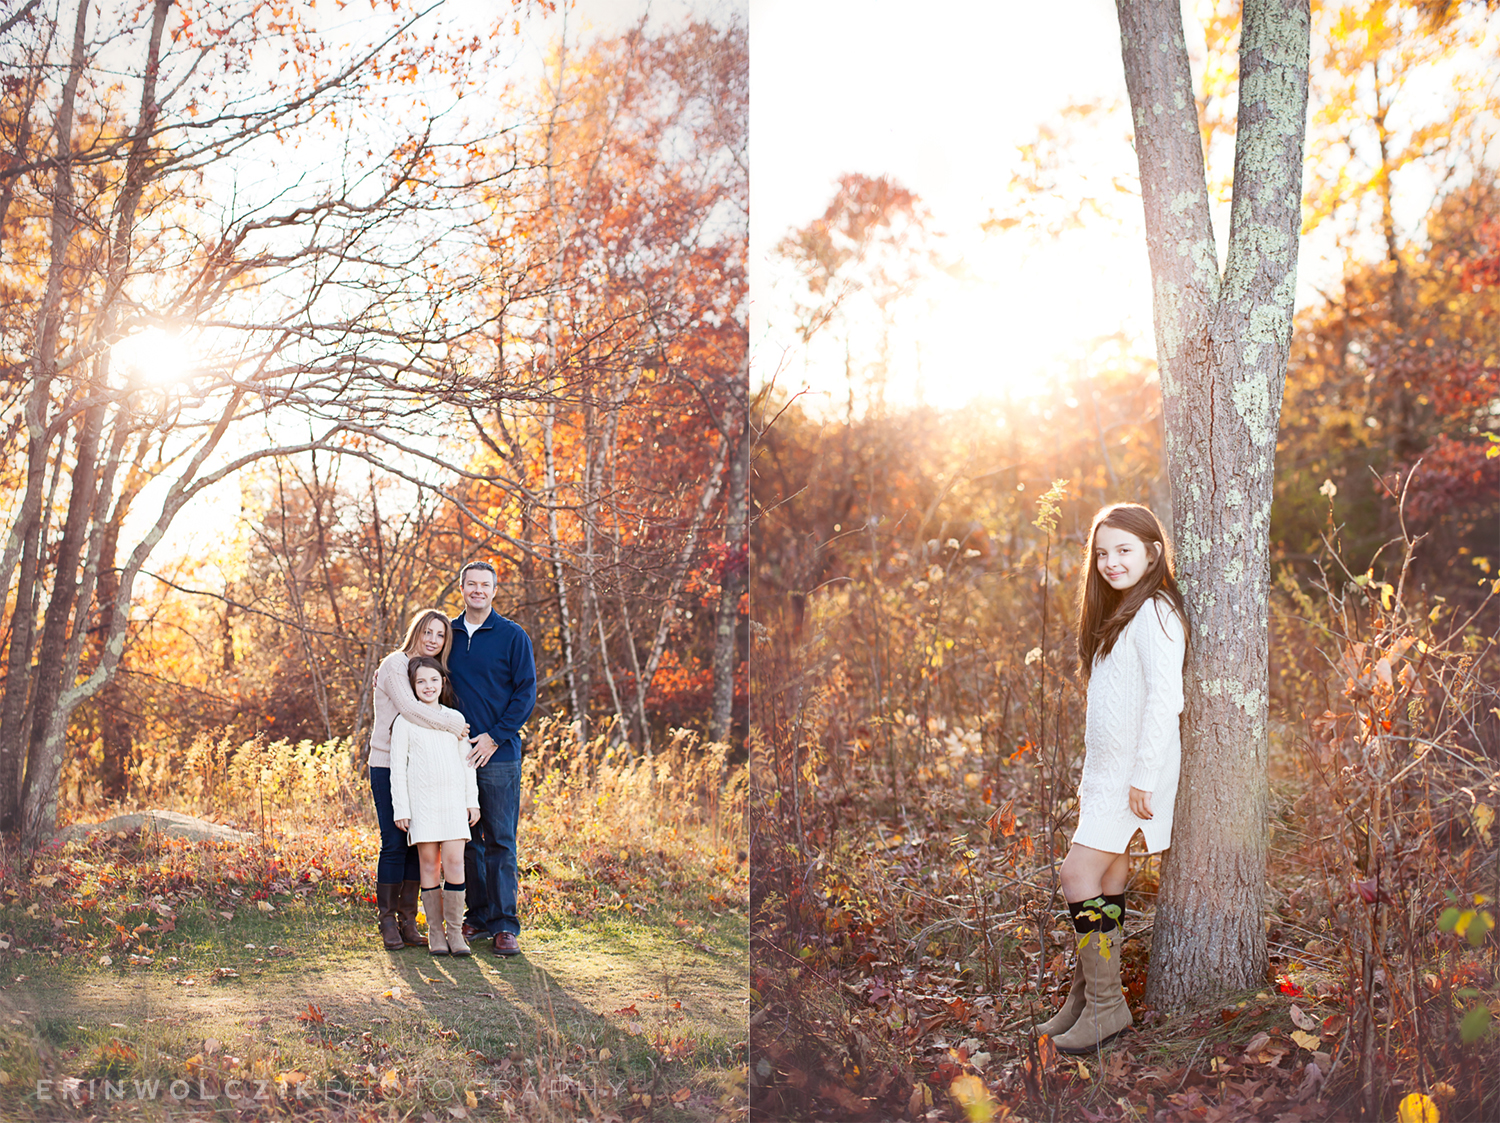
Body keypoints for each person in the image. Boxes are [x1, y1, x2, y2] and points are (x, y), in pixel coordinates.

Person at [1036, 503, 1187, 1053]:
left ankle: (1107, 1004)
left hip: (1133, 779)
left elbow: (1165, 701)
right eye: (1102, 552)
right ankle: (1085, 999)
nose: (1111, 562)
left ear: (1153, 551)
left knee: (1076, 876)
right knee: (1106, 881)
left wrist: (1144, 776)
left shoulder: (1156, 612)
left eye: (1124, 550)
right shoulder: (1125, 610)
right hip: (1108, 776)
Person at [447, 560, 537, 957]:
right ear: (461, 588)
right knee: (468, 839)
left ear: (494, 590)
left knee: (500, 839)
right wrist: (389, 672)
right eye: (472, 584)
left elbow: (526, 693)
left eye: (486, 585)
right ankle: (478, 916)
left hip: (498, 754)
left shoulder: (512, 636)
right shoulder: (446, 633)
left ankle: (504, 925)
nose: (478, 590)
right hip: (454, 754)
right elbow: (416, 664)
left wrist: (496, 737)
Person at [368, 609, 469, 950]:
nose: (432, 640)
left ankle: (409, 920)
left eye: (440, 635)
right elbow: (411, 711)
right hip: (388, 764)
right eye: (427, 632)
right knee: (395, 843)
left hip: (422, 772)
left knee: (418, 845)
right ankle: (387, 921)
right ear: (416, 632)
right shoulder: (397, 664)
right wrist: (453, 725)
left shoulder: (428, 672)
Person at [390, 656, 481, 957]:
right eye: (420, 682)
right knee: (429, 865)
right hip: (422, 805)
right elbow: (397, 767)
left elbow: (468, 764)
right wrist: (401, 808)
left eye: (433, 680)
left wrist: (472, 801)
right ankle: (436, 933)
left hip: (453, 802)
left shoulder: (454, 719)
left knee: (455, 863)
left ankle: (456, 934)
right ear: (412, 687)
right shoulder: (405, 721)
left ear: (443, 682)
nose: (428, 686)